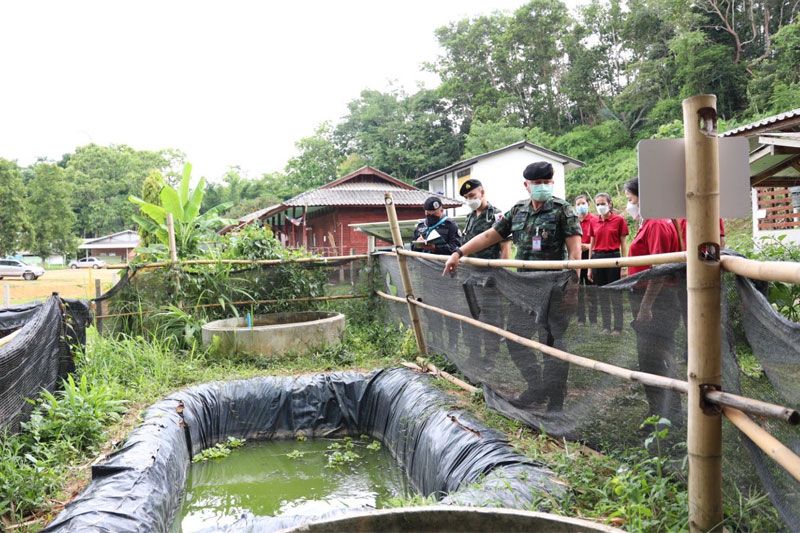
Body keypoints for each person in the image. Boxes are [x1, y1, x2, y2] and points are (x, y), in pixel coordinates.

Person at [444, 162, 582, 411]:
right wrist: (459, 252)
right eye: (536, 183)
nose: (541, 187)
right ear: (526, 185)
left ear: (551, 183)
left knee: (551, 344)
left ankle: (556, 400)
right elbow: (489, 236)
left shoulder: (564, 210)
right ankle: (537, 387)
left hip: (553, 288)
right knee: (515, 339)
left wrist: (573, 287)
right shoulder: (518, 210)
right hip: (523, 288)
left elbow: (575, 251)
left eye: (546, 182)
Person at [624, 177, 683, 420]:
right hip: (650, 298)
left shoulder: (657, 223)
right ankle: (663, 412)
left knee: (654, 358)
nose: (629, 205)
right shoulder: (648, 222)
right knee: (653, 357)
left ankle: (666, 415)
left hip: (657, 301)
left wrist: (646, 306)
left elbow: (659, 269)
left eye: (631, 200)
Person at [458, 179, 511, 373]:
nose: (470, 199)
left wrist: (501, 272)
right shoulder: (470, 217)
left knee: (491, 317)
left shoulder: (496, 216)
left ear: (482, 193)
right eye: (466, 197)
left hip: (490, 275)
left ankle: (490, 357)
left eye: (472, 196)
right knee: (472, 314)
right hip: (472, 275)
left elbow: (505, 247)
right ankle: (474, 353)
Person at [413, 196, 461, 351]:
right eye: (428, 214)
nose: (431, 217)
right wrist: (419, 244)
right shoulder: (420, 226)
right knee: (431, 311)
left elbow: (457, 248)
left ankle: (453, 344)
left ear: (442, 210)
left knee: (450, 310)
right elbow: (413, 248)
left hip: (446, 275)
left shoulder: (451, 226)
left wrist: (436, 248)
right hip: (427, 275)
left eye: (434, 214)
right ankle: (436, 342)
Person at [587, 192, 629, 334]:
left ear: (610, 204)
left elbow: (623, 243)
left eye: (603, 203)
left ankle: (618, 327)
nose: (600, 206)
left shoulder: (619, 220)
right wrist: (589, 266)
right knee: (602, 294)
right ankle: (606, 326)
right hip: (597, 258)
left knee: (615, 294)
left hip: (613, 258)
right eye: (598, 204)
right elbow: (591, 244)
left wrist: (624, 264)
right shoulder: (593, 221)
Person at [575, 195, 598, 326]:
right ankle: (581, 319)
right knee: (578, 289)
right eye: (578, 204)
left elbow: (598, 240)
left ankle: (593, 319)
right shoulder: (574, 221)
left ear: (588, 204)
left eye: (583, 203)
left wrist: (588, 246)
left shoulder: (595, 219)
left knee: (591, 290)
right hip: (577, 258)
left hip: (590, 257)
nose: (580, 206)